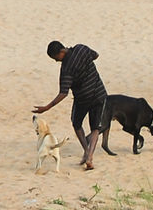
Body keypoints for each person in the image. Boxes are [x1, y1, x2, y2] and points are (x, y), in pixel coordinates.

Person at [33, 40, 107, 170]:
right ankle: (89, 156)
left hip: (83, 99)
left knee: (76, 124)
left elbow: (63, 93)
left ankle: (86, 150)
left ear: (61, 52)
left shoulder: (66, 69)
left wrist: (47, 107)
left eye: (56, 58)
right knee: (95, 127)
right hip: (99, 94)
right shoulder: (81, 49)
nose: (56, 61)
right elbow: (96, 55)